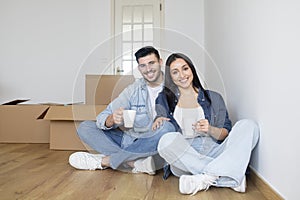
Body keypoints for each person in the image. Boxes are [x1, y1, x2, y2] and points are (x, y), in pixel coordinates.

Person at [153, 53, 260, 195]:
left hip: (214, 151)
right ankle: (228, 176)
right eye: (175, 72)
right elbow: (162, 126)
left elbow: (225, 133)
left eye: (185, 69)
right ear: (170, 77)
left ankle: (206, 178)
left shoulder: (214, 97)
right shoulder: (164, 98)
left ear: (192, 70)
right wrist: (157, 121)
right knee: (165, 141)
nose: (182, 75)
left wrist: (210, 129)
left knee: (248, 125)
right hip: (184, 157)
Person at [69, 46, 175, 175]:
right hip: (131, 140)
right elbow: (103, 116)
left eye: (151, 63)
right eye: (142, 66)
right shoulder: (133, 90)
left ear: (160, 62)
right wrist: (111, 119)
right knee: (85, 127)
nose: (148, 69)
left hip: (156, 145)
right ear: (139, 68)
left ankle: (107, 161)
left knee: (167, 128)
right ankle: (135, 162)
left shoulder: (175, 85)